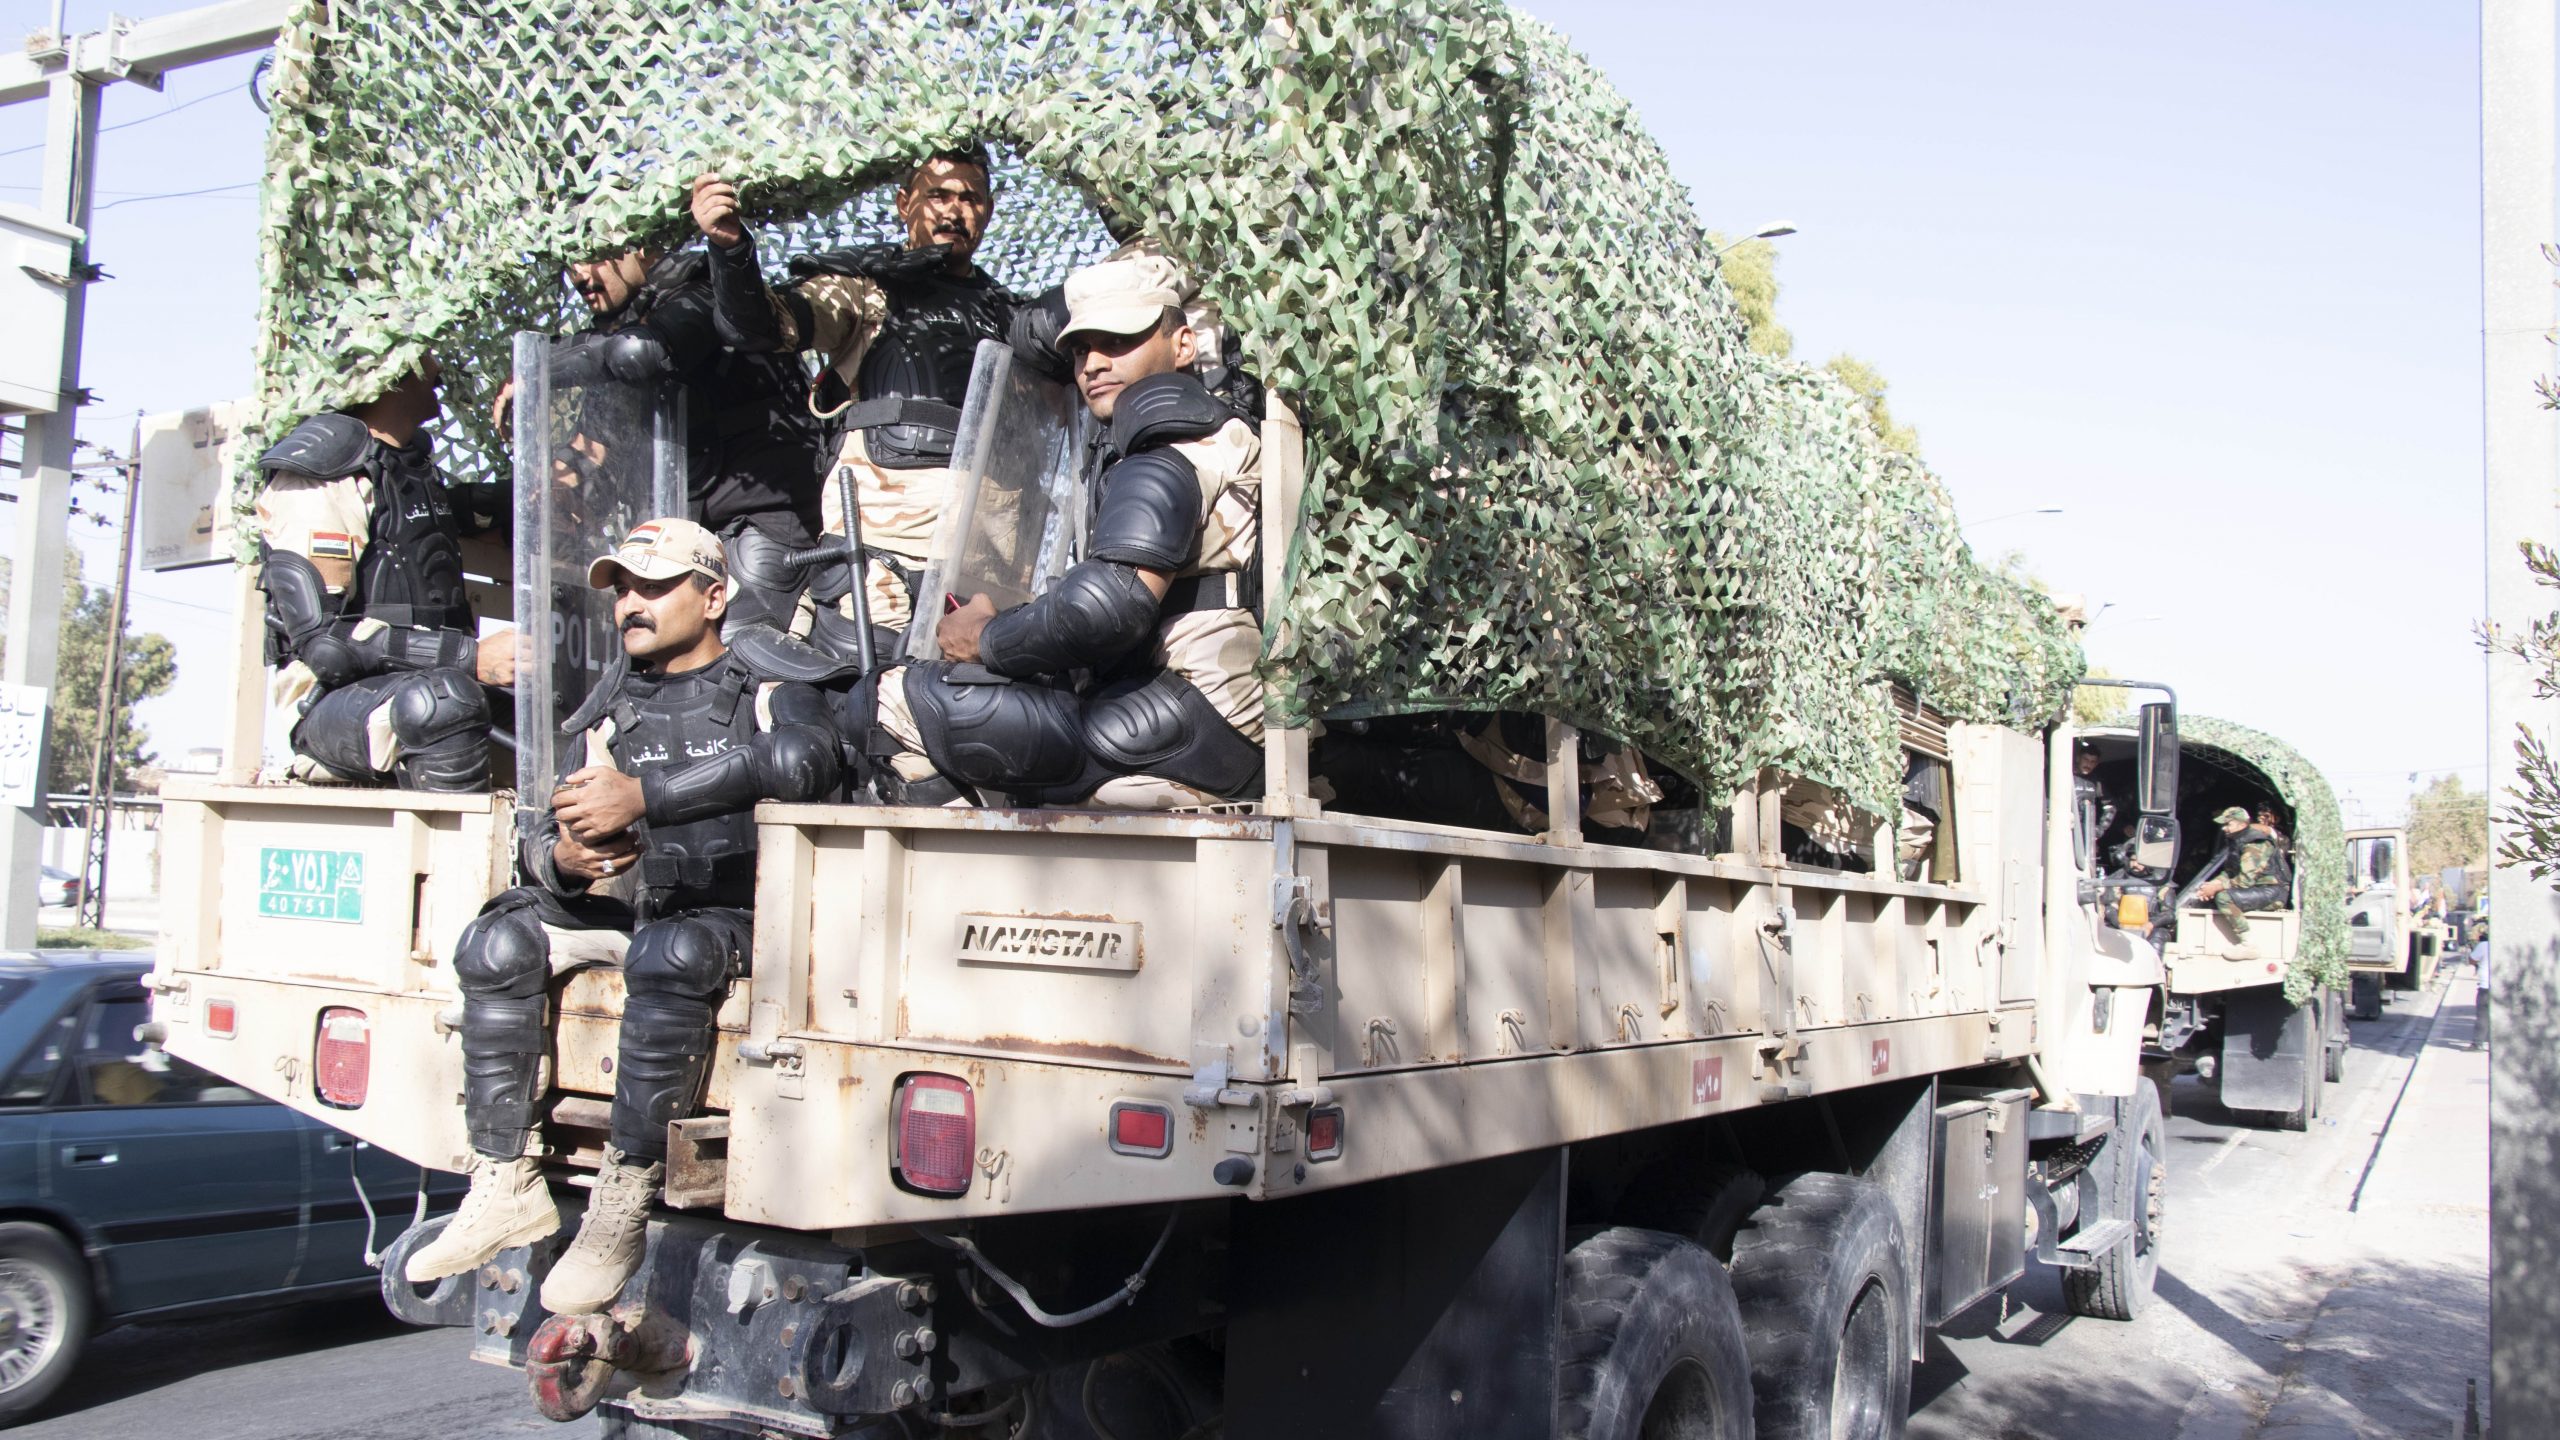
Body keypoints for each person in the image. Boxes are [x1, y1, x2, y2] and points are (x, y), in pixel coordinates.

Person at [400, 518, 840, 1313]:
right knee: (497, 940)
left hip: (755, 920)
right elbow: (549, 832)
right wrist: (569, 860)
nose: (631, 603)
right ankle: (504, 1180)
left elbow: (801, 760)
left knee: (667, 951)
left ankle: (621, 1203)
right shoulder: (613, 706)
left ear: (714, 597)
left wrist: (646, 797)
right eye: (623, 589)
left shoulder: (768, 678)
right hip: (651, 915)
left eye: (654, 586)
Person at [859, 251, 1264, 808]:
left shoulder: (1175, 440)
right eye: (1080, 349)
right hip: (1199, 715)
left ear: (1184, 345)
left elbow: (1107, 607)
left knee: (888, 700)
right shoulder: (1212, 433)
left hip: (1200, 718)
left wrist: (984, 637)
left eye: (1118, 341)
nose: (1093, 363)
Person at [690, 147, 1018, 660]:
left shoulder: (1011, 316)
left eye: (969, 198)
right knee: (868, 678)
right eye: (938, 195)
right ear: (905, 203)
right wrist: (731, 250)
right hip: (883, 544)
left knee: (978, 694)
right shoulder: (867, 290)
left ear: (989, 209)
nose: (954, 210)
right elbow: (764, 325)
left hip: (985, 555)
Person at [502, 241, 824, 631]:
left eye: (592, 255)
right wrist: (548, 502)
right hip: (677, 545)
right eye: (570, 262)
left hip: (760, 530)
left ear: (640, 246)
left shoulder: (706, 293)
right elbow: (592, 451)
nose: (579, 275)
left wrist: (535, 368)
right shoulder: (620, 332)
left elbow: (640, 353)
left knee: (741, 654)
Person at [256, 356, 516, 791]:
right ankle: (450, 838)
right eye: (425, 352)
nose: (439, 364)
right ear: (391, 367)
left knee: (558, 709)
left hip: (440, 682)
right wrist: (470, 658)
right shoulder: (323, 475)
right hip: (334, 703)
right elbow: (326, 644)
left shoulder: (410, 469)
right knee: (439, 704)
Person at [2191, 804, 2292, 944]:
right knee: (2209, 896)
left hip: (2273, 892)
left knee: (2224, 897)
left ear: (2242, 825)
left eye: (2228, 824)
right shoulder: (2237, 841)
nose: (2224, 828)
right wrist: (2212, 884)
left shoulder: (2255, 843)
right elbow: (2230, 872)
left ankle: (2247, 943)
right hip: (2257, 888)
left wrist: (2217, 887)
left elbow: (2245, 880)